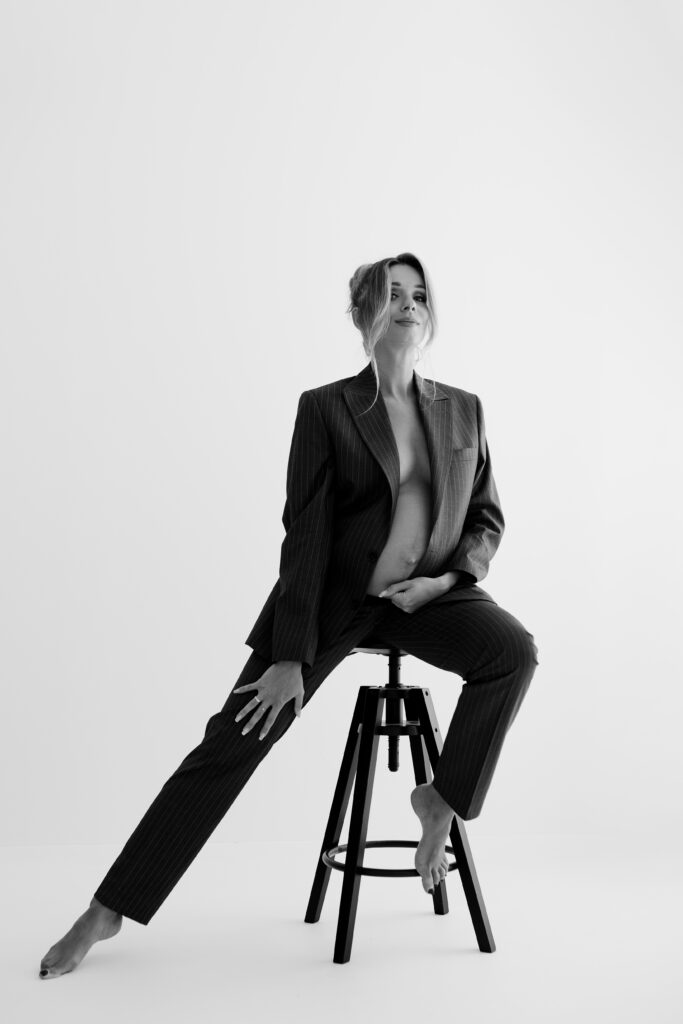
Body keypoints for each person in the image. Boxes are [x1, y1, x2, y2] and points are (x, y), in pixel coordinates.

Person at [39, 252, 539, 979]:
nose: (408, 305)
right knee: (232, 740)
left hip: (429, 598)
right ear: (363, 313)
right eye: (392, 294)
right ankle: (108, 908)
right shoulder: (327, 408)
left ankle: (441, 799)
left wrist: (443, 583)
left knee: (513, 653)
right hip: (336, 602)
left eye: (418, 294)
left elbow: (485, 519)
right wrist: (287, 656)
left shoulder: (463, 408)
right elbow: (305, 536)